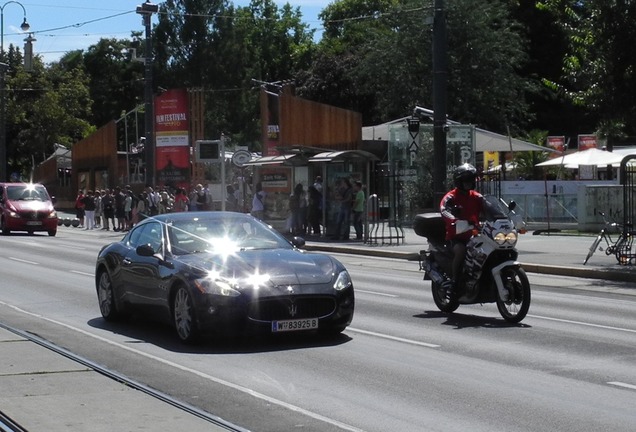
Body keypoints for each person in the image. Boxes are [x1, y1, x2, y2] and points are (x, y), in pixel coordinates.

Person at [440, 163, 484, 300]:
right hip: (456, 237)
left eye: (471, 180)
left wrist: (503, 217)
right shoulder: (451, 196)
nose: (468, 183)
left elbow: (490, 208)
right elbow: (444, 209)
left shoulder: (477, 197)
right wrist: (454, 220)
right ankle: (455, 281)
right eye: (465, 180)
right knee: (461, 250)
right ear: (458, 181)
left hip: (474, 235)